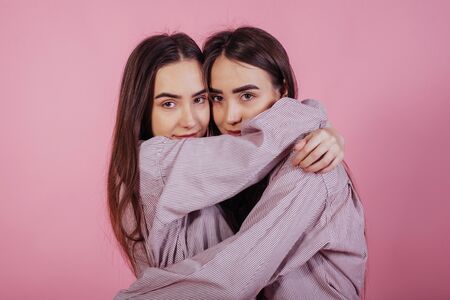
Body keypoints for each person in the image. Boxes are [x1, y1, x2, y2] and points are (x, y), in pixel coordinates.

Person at [110, 31, 355, 300]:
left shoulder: (310, 162)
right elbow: (258, 146)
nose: (191, 120)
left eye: (201, 99)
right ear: (142, 108)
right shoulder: (154, 164)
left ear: (282, 91)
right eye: (169, 103)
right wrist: (313, 117)